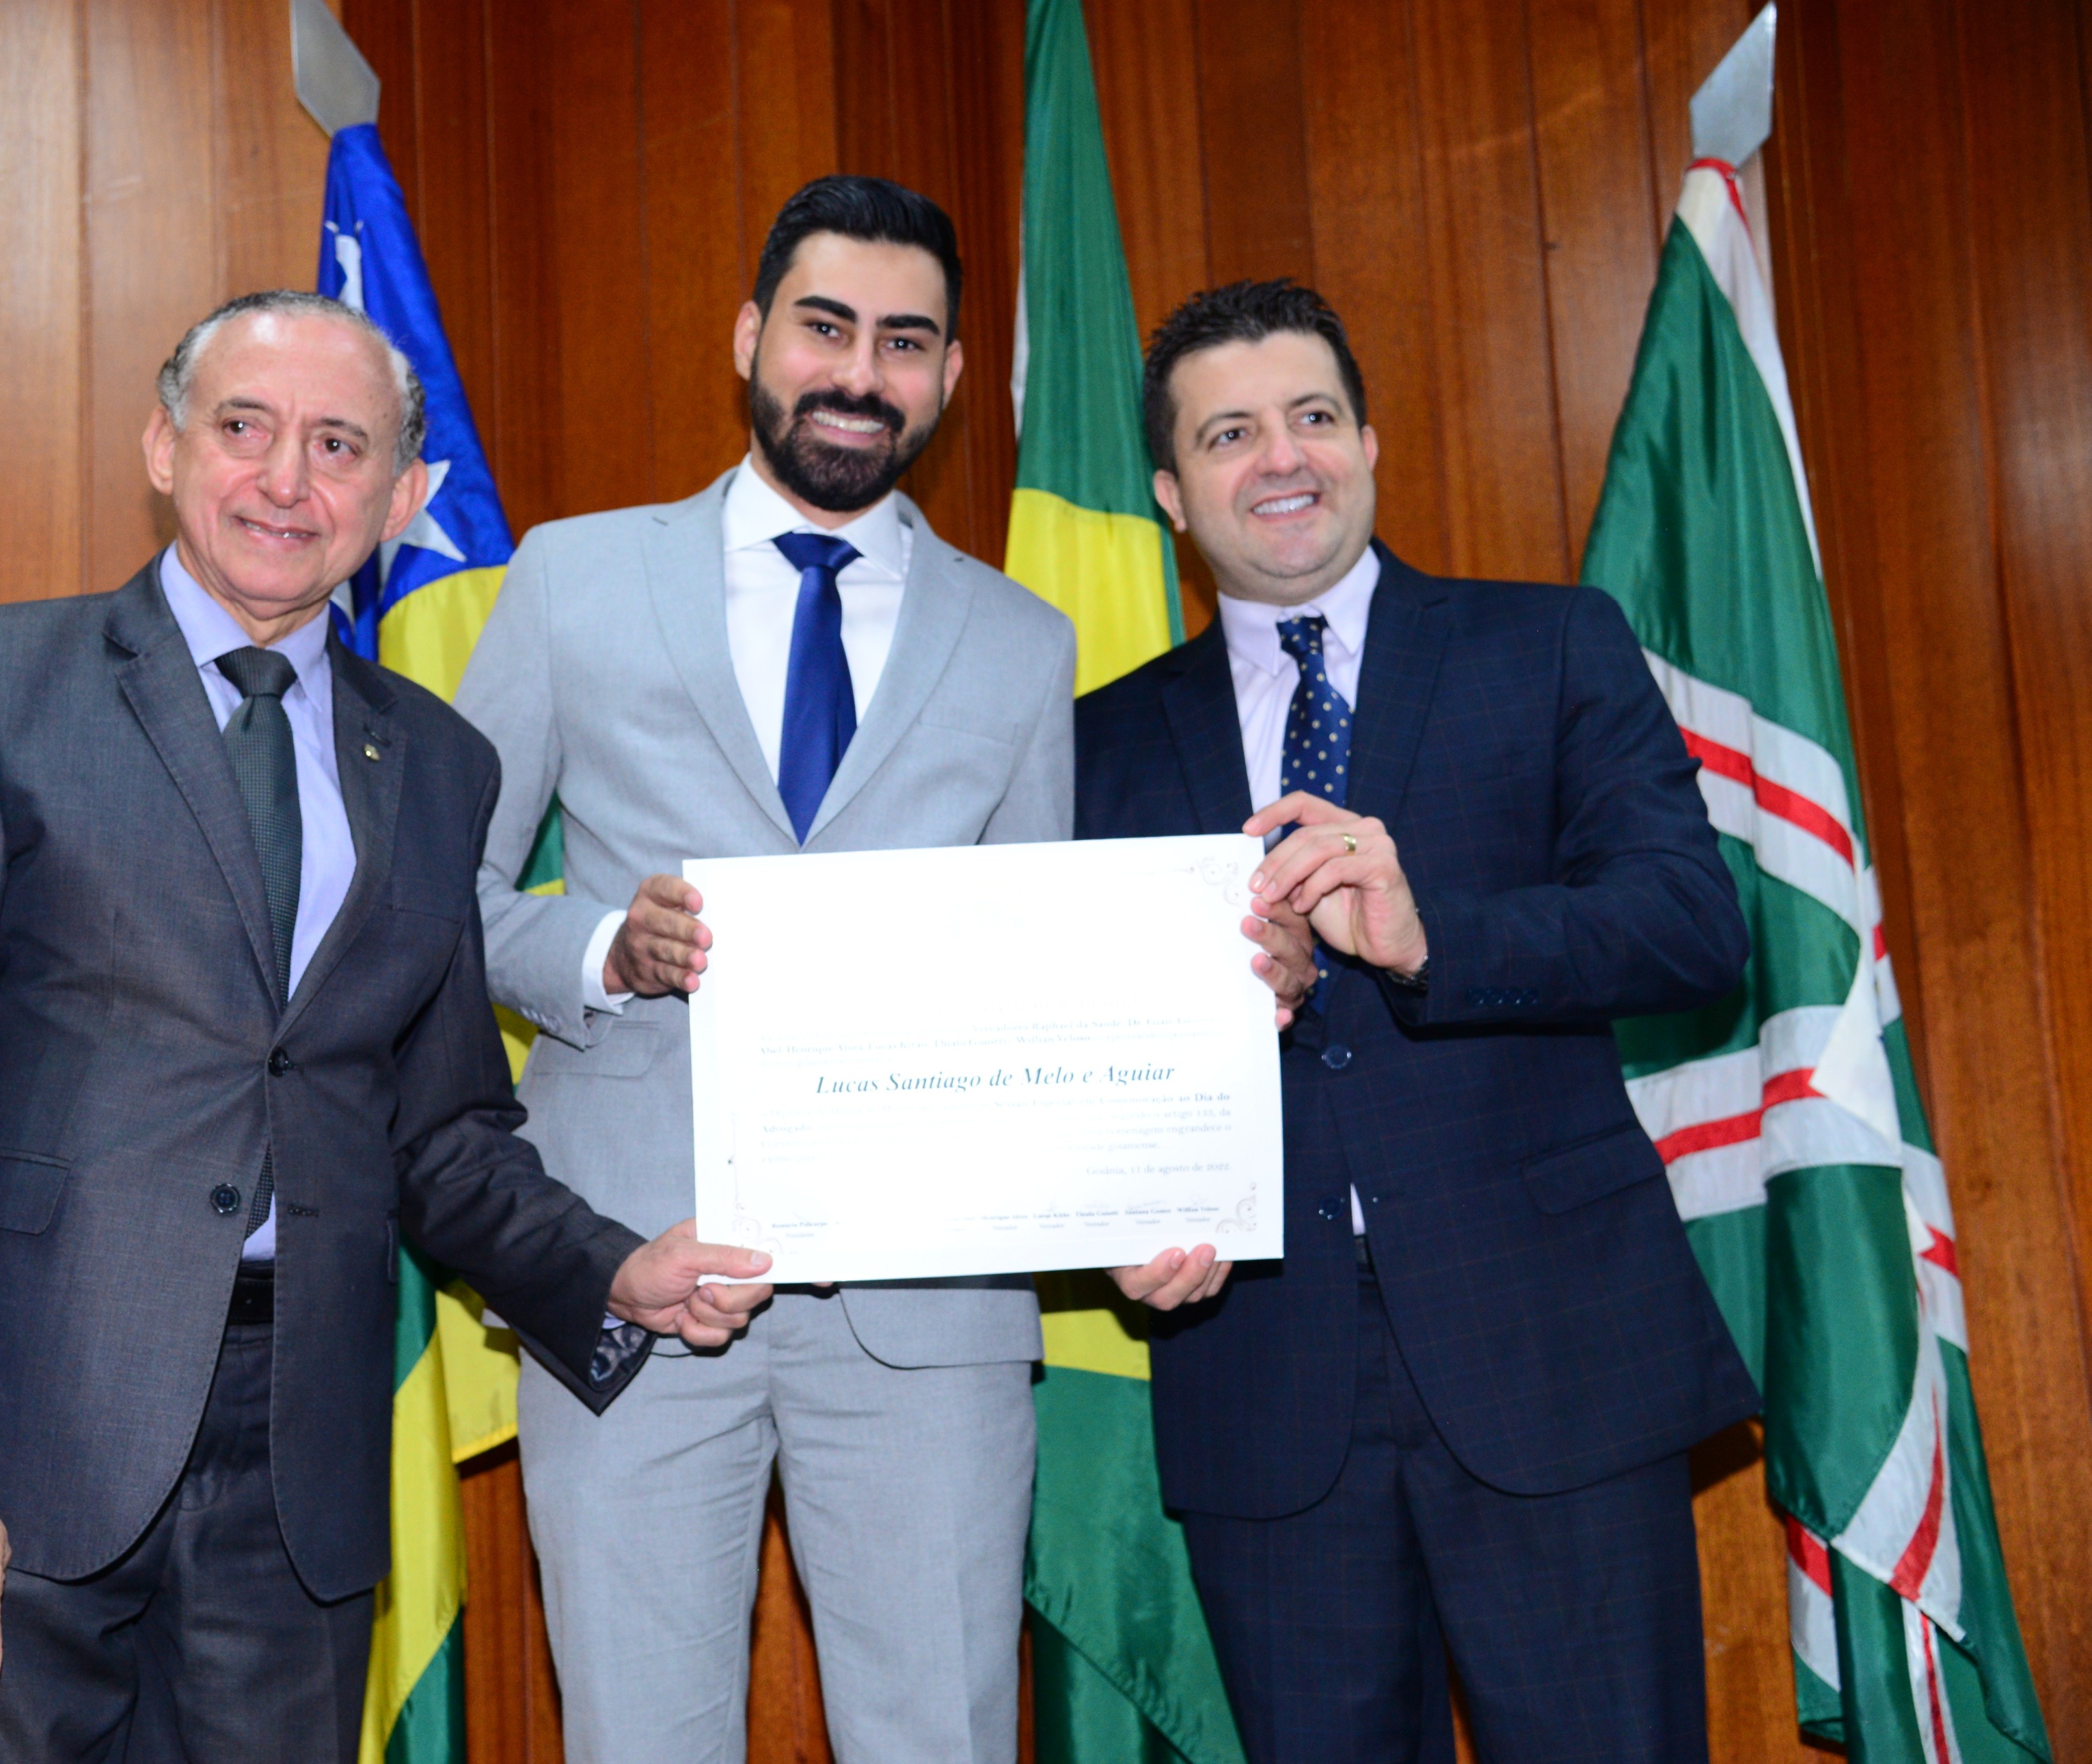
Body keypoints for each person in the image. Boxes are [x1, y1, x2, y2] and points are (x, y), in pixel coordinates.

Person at [0, 290, 772, 1764]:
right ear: (164, 445)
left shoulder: (439, 762)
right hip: (13, 1440)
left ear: (404, 496)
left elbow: (438, 1128)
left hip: (296, 1472)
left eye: (338, 445)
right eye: (243, 426)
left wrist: (610, 1269)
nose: (284, 479)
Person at [452, 178, 1312, 1764]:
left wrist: (1145, 1179)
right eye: (825, 326)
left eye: (904, 341)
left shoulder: (1022, 640)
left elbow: (1043, 982)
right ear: (749, 336)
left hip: (934, 1321)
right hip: (639, 1272)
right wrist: (605, 947)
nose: (859, 371)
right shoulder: (572, 577)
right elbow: (450, 905)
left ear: (953, 375)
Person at [1082, 280, 1762, 1764]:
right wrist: (1114, 1214)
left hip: (1554, 1359)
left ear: (1369, 444)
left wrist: (1429, 936)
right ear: (1170, 493)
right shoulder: (1095, 740)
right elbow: (1069, 1045)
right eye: (1230, 432)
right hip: (1264, 1388)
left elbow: (1692, 923)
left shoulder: (1550, 643)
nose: (1283, 456)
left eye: (1314, 416)